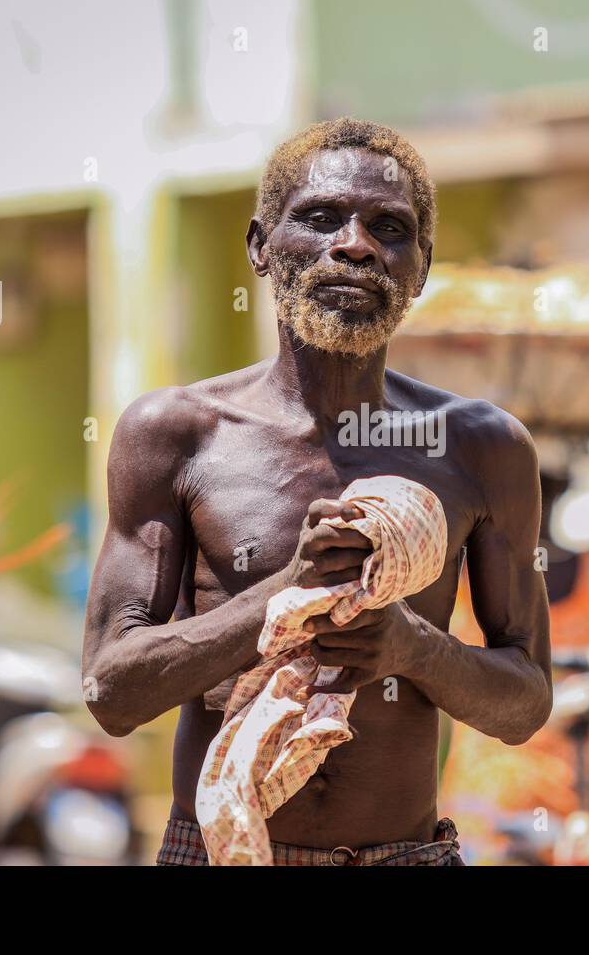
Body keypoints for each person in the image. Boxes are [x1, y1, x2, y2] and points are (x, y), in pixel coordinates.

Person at [84, 118, 552, 865]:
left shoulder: (481, 447)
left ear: (420, 268)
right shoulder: (176, 433)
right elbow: (112, 691)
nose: (356, 245)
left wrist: (410, 647)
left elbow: (525, 700)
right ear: (259, 246)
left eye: (388, 227)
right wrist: (287, 596)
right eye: (322, 218)